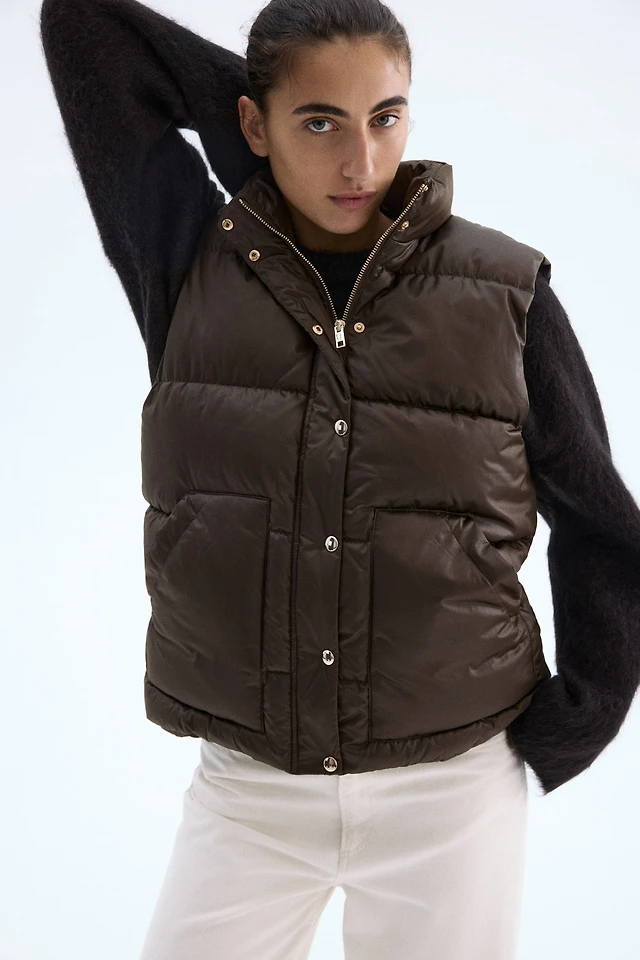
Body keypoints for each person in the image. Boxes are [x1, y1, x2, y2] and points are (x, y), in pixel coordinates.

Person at [39, 0, 640, 957]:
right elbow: (84, 30)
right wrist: (263, 139)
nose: (361, 162)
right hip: (249, 790)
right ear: (251, 121)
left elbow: (601, 518)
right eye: (321, 122)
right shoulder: (187, 265)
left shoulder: (509, 294)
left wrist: (587, 710)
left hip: (451, 789)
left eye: (384, 117)